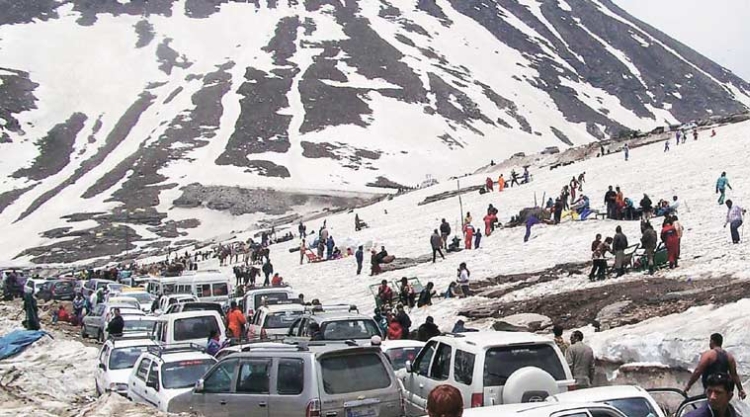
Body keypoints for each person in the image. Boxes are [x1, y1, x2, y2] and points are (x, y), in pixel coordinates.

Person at [684, 333, 746, 399]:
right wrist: (740, 389)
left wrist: (688, 385)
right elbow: (734, 375)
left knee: (707, 407)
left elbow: (698, 371)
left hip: (711, 390)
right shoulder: (729, 357)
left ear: (712, 341)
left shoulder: (708, 354)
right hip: (723, 391)